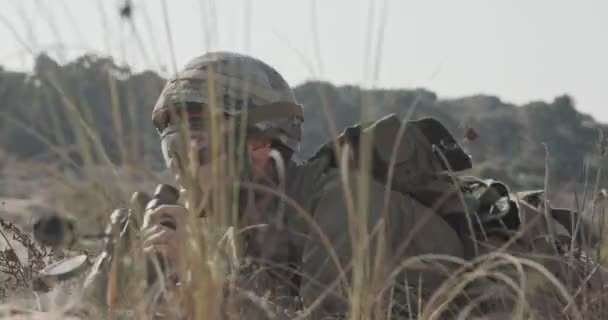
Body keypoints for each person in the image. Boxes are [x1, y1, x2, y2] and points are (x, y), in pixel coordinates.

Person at [140, 51, 466, 318]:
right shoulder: (245, 235)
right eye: (173, 149)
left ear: (259, 145)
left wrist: (206, 283)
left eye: (195, 145)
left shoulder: (345, 207)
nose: (181, 167)